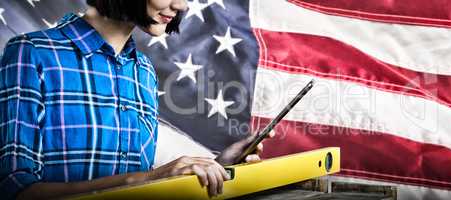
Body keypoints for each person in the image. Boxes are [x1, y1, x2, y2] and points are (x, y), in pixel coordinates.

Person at [0, 0, 273, 199]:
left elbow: (141, 175)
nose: (182, 5)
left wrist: (217, 165)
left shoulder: (143, 70)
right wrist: (150, 178)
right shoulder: (32, 53)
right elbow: (15, 188)